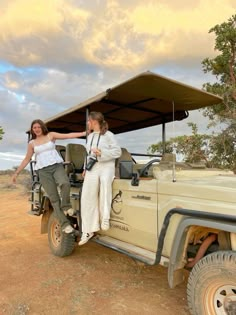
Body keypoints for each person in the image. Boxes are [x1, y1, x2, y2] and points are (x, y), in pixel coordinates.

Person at [12, 119, 86, 234]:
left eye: (38, 127)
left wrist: (83, 133)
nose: (36, 129)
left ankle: (66, 206)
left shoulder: (51, 135)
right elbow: (27, 159)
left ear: (42, 127)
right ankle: (65, 225)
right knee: (54, 198)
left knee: (65, 183)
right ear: (33, 130)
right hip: (43, 171)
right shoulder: (32, 143)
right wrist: (17, 172)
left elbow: (67, 136)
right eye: (34, 127)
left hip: (56, 166)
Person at [79, 111, 121, 246]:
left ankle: (105, 218)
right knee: (87, 196)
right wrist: (85, 168)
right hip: (93, 167)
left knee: (105, 186)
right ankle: (88, 230)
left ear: (94, 122)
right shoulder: (90, 136)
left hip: (106, 165)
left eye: (88, 121)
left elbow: (117, 152)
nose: (87, 123)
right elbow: (88, 154)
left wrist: (102, 153)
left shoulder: (109, 135)